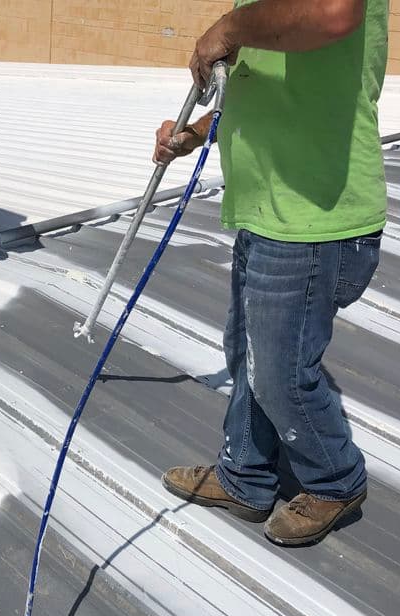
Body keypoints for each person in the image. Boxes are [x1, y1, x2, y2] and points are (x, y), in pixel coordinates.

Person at [156, 0, 388, 546]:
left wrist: (228, 28)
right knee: (247, 354)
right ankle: (245, 477)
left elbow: (333, 14)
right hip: (269, 213)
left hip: (315, 220)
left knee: (280, 373)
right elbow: (274, 97)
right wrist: (195, 134)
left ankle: (335, 480)